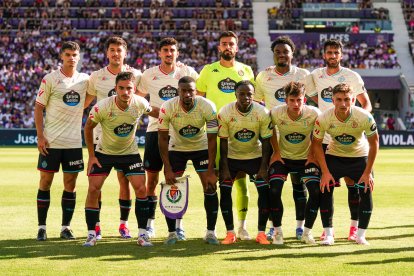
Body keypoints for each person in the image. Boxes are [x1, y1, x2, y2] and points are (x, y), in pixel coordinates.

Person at [305, 38, 372, 241]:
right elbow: (316, 102)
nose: (332, 56)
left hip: (349, 139)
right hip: (324, 137)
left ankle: (354, 228)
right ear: (323, 55)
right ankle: (327, 230)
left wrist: (355, 123)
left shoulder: (351, 76)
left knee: (354, 184)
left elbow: (366, 104)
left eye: (336, 53)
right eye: (329, 52)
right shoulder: (315, 76)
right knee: (325, 184)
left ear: (341, 55)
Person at [83, 72, 159, 247]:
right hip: (104, 152)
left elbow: (155, 112)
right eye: (121, 88)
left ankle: (142, 234)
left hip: (129, 153)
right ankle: (91, 234)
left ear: (134, 89)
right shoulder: (102, 106)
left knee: (141, 189)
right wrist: (92, 156)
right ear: (115, 89)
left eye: (129, 88)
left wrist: (173, 116)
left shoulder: (140, 103)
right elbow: (88, 128)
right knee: (93, 189)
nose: (125, 92)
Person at [137, 37, 199, 240]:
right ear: (159, 53)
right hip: (155, 131)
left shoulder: (187, 72)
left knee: (175, 179)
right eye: (165, 50)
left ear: (177, 53)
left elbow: (198, 96)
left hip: (180, 132)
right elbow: (138, 100)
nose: (169, 53)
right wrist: (158, 113)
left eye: (172, 50)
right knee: (152, 180)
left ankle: (178, 226)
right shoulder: (149, 75)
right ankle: (150, 224)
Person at [196, 31, 255, 240]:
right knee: (212, 181)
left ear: (237, 48)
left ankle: (242, 226)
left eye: (231, 44)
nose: (227, 47)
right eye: (224, 44)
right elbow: (199, 101)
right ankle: (211, 229)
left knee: (241, 182)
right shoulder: (208, 70)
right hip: (214, 135)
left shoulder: (246, 70)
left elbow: (251, 100)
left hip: (240, 135)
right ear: (219, 47)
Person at [84, 36, 142, 240]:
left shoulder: (136, 75)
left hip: (125, 140)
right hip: (102, 139)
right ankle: (96, 226)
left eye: (119, 50)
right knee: (96, 185)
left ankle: (124, 225)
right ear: (107, 53)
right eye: (112, 50)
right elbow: (86, 102)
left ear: (125, 53)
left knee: (125, 182)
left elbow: (141, 99)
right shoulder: (97, 76)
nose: (116, 53)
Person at [255, 35, 310, 241]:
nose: (281, 54)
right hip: (271, 139)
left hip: (298, 139)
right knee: (272, 186)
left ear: (292, 54)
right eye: (278, 51)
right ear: (274, 54)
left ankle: (300, 226)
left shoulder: (303, 75)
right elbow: (257, 103)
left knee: (299, 184)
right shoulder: (263, 76)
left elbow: (309, 101)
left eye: (285, 51)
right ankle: (273, 226)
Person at [34, 41, 89, 241]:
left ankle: (65, 227)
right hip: (52, 142)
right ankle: (41, 227)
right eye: (68, 54)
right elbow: (39, 107)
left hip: (73, 143)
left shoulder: (85, 79)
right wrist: (40, 136)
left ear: (79, 56)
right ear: (61, 56)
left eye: (75, 54)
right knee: (45, 182)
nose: (71, 58)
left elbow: (88, 98)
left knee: (70, 184)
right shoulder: (50, 79)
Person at [312, 83, 379, 245]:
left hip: (359, 156)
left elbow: (374, 143)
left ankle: (360, 234)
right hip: (335, 156)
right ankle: (328, 234)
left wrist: (367, 172)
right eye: (339, 99)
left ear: (354, 99)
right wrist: (326, 172)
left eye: (347, 100)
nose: (343, 103)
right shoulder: (324, 117)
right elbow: (316, 144)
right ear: (332, 100)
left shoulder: (364, 116)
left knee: (365, 189)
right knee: (325, 189)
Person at [158, 76, 219, 245]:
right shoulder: (167, 107)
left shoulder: (207, 106)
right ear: (178, 92)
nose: (187, 94)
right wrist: (167, 167)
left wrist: (211, 169)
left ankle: (211, 232)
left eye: (190, 90)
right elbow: (162, 139)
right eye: (183, 91)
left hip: (201, 148)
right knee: (171, 186)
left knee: (210, 186)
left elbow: (213, 139)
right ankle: (172, 233)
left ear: (195, 91)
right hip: (177, 149)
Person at [218, 80, 272, 245]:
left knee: (264, 192)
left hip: (254, 157)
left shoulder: (262, 112)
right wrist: (225, 167)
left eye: (249, 94)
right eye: (242, 94)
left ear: (253, 95)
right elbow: (224, 142)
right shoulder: (225, 112)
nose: (246, 97)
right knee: (225, 192)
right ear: (235, 94)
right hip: (232, 158)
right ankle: (230, 233)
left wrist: (263, 167)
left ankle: (261, 233)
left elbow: (267, 142)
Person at [268, 81, 321, 245]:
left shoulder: (313, 113)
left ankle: (304, 231)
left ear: (304, 99)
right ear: (286, 100)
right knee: (274, 190)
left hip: (306, 158)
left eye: (299, 99)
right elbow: (269, 131)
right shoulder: (276, 113)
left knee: (314, 192)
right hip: (283, 158)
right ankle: (277, 231)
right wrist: (276, 152)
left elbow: (318, 136)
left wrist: (312, 154)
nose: (296, 104)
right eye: (292, 100)